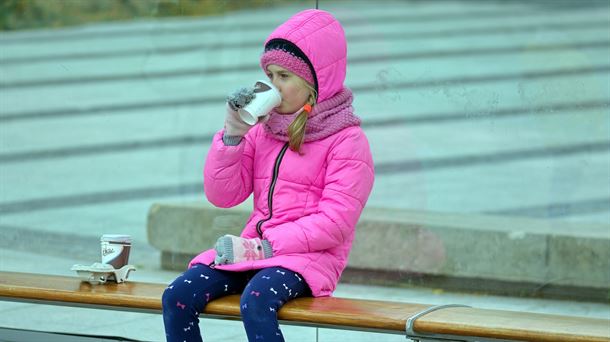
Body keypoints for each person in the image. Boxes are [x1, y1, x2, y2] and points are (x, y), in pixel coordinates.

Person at [162, 8, 374, 342]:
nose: (272, 86)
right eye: (270, 74)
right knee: (177, 295)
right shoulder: (264, 131)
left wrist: (266, 247)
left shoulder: (347, 140)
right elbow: (223, 195)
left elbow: (335, 223)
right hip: (255, 252)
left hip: (308, 260)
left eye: (283, 77)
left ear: (314, 83)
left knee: (256, 302)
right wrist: (233, 135)